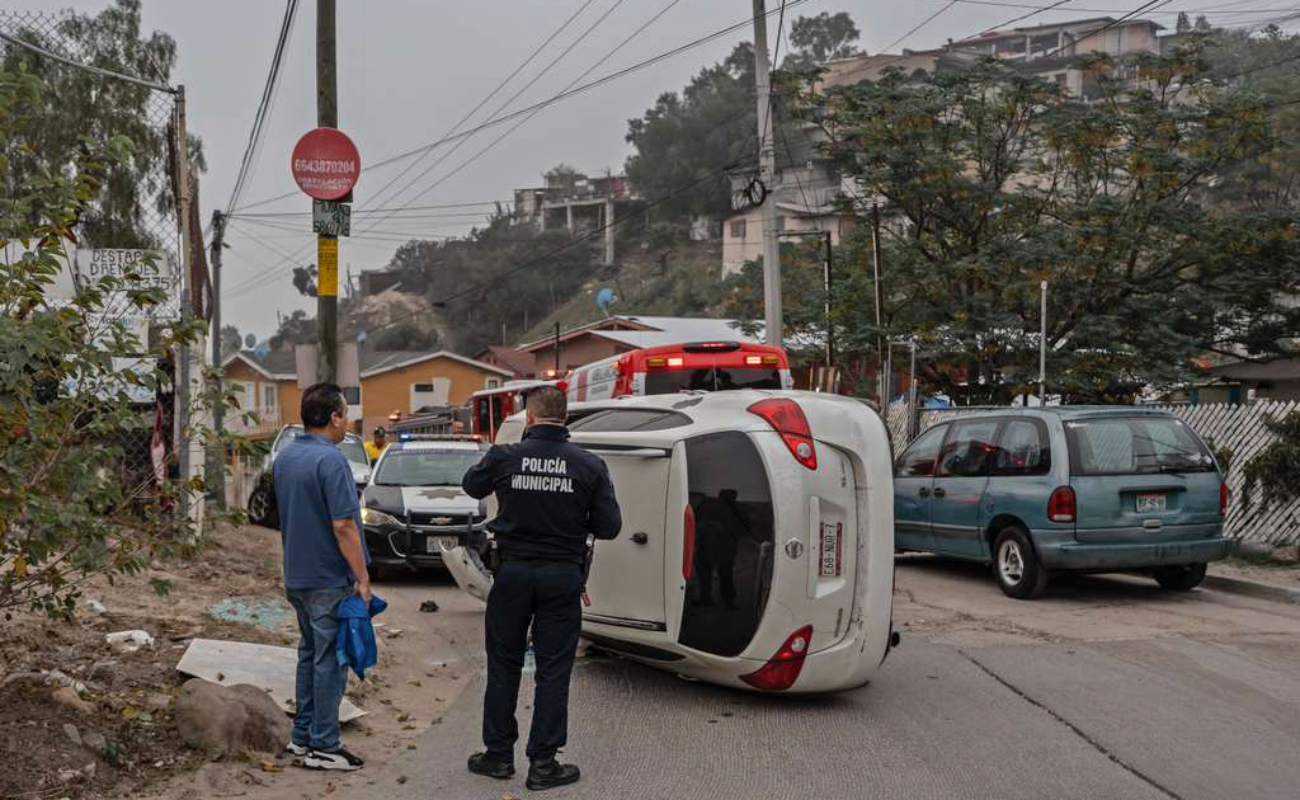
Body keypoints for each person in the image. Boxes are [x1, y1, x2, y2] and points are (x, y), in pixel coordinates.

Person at [461, 385, 622, 791]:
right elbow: (609, 527)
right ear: (565, 419)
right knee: (553, 670)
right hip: (561, 578)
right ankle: (544, 764)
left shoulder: (505, 457)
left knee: (503, 664)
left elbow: (471, 486)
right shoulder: (589, 465)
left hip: (512, 575)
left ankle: (497, 756)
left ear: (529, 418)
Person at [274, 383, 371, 772]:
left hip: (297, 575)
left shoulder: (286, 456)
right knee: (330, 661)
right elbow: (344, 525)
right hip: (328, 578)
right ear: (333, 417)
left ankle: (302, 737)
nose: (346, 420)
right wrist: (362, 579)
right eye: (344, 413)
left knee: (310, 655)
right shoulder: (331, 461)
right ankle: (325, 745)